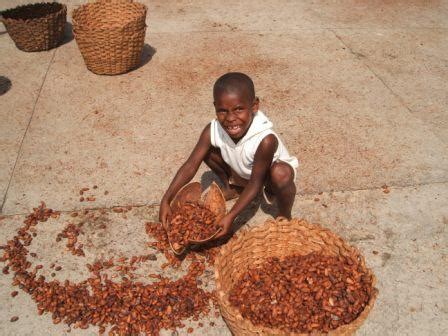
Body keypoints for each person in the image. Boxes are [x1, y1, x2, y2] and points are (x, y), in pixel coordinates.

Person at [159, 72, 298, 239]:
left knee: (281, 173)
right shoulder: (213, 129)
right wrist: (166, 199)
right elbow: (190, 165)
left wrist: (231, 216)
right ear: (215, 107)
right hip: (243, 170)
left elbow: (255, 183)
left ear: (254, 106)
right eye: (222, 111)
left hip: (266, 177)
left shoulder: (265, 139)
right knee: (207, 150)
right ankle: (233, 187)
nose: (230, 118)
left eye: (239, 109)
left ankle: (285, 216)